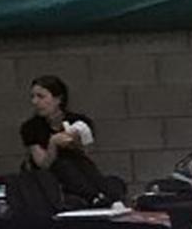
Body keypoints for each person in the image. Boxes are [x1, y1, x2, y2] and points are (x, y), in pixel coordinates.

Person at [20, 75, 122, 205]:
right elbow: (43, 164)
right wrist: (53, 143)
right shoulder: (31, 127)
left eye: (41, 97)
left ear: (58, 99)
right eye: (33, 97)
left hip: (80, 168)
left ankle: (107, 195)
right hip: (51, 176)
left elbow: (86, 151)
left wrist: (75, 141)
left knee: (82, 164)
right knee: (62, 165)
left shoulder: (78, 121)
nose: (35, 102)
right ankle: (93, 198)